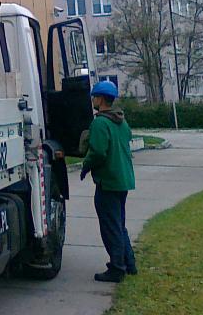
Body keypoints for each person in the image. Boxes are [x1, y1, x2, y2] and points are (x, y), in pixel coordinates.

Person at [80, 80, 137, 282]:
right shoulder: (121, 121)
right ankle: (129, 263)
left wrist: (85, 166)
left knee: (110, 226)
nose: (93, 100)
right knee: (119, 223)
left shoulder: (100, 123)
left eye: (94, 96)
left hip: (108, 181)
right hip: (123, 180)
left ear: (101, 99)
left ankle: (117, 268)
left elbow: (98, 153)